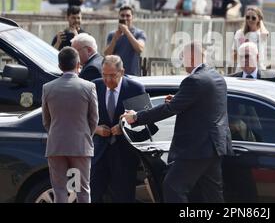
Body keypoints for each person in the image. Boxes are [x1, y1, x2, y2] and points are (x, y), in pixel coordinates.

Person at [122, 42, 233, 203]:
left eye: (183, 57)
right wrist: (178, 99)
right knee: (213, 194)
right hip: (215, 146)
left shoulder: (194, 80)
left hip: (197, 148)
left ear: (192, 57)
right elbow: (205, 105)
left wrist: (137, 117)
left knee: (173, 187)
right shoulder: (217, 77)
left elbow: (170, 109)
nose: (182, 61)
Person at [42, 47, 99, 203]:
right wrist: (85, 135)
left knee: (60, 191)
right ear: (78, 64)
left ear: (60, 66)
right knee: (82, 191)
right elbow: (94, 119)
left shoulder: (48, 88)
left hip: (56, 146)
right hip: (80, 147)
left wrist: (56, 134)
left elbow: (46, 121)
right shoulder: (88, 87)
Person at [90, 55, 147, 203]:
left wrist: (125, 128)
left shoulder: (135, 89)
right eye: (104, 75)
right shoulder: (94, 87)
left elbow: (149, 126)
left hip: (124, 157)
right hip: (98, 155)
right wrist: (95, 129)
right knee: (94, 197)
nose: (108, 80)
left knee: (123, 198)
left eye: (112, 76)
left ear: (121, 72)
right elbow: (80, 119)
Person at [104, 6, 146, 76]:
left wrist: (127, 32)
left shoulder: (139, 33)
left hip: (133, 75)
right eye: (122, 16)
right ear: (119, 17)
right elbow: (107, 54)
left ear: (132, 17)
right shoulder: (112, 35)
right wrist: (114, 39)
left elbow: (140, 49)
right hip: (116, 75)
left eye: (128, 16)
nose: (125, 18)